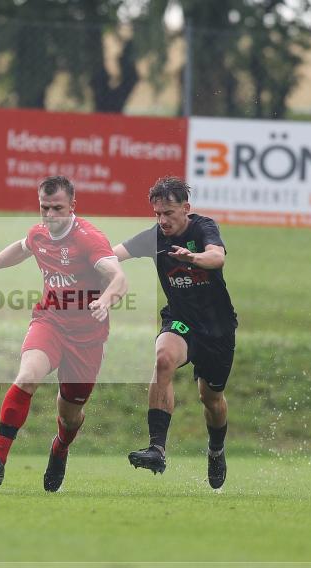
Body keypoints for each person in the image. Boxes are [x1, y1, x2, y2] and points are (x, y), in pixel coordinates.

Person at [0, 175, 127, 492]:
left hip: (87, 337)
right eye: (44, 207)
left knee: (71, 416)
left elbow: (119, 277)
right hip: (49, 322)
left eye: (57, 208)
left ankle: (60, 447)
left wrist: (105, 300)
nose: (49, 215)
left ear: (72, 206)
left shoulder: (89, 239)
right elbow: (21, 248)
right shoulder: (39, 234)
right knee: (27, 377)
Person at [113, 175, 237, 489]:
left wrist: (192, 257)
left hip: (218, 328)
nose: (163, 221)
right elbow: (113, 254)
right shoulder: (154, 237)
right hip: (181, 321)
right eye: (157, 214)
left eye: (168, 213)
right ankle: (157, 448)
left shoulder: (203, 228)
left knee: (211, 399)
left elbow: (217, 256)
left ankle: (216, 449)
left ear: (186, 208)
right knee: (163, 359)